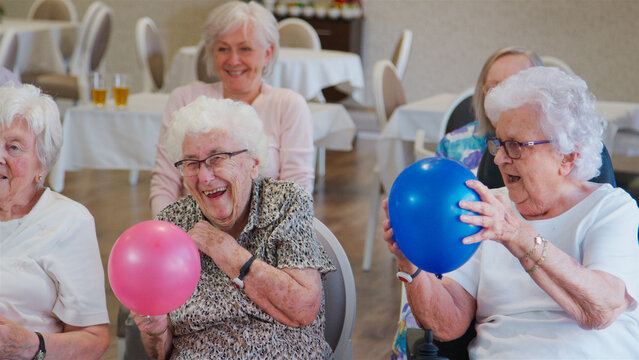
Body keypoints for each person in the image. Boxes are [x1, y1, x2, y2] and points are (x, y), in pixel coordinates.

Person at [384, 67, 639, 359]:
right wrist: (409, 264)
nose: (500, 159)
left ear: (567, 156)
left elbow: (600, 311)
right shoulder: (484, 208)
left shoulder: (610, 208)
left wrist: (516, 235)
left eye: (516, 146)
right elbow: (448, 325)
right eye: (499, 143)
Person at [132, 96, 335, 359]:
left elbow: (303, 308)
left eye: (217, 158)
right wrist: (157, 332)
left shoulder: (286, 203)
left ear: (253, 163)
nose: (204, 177)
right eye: (191, 163)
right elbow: (160, 353)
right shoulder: (173, 224)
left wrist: (227, 252)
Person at [391, 46, 544, 359]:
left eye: (516, 85)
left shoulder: (548, 157)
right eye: (494, 87)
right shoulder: (455, 144)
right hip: (457, 264)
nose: (504, 95)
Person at [150, 0, 315, 216]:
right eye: (223, 49)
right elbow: (164, 183)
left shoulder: (289, 106)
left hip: (264, 236)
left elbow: (298, 194)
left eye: (245, 48)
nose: (233, 60)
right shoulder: (184, 99)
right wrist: (168, 235)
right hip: (191, 231)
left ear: (267, 53)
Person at [0, 84, 109, 359]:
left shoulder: (68, 221)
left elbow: (95, 340)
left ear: (42, 165)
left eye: (13, 147)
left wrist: (31, 345)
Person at [435, 46, 544, 174]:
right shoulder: (452, 146)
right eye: (494, 87)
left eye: (514, 86)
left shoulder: (553, 148)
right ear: (483, 94)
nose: (501, 96)